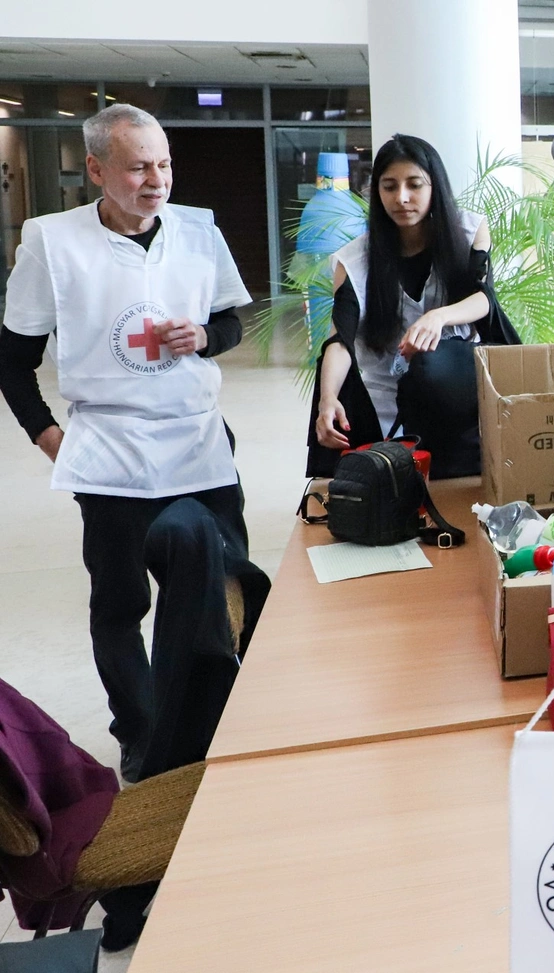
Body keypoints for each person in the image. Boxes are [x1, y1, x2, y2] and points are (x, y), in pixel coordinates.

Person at [0, 103, 270, 950]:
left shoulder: (196, 232)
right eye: (137, 168)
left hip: (196, 442)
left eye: (163, 165)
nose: (156, 181)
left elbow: (234, 319)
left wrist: (207, 335)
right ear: (96, 170)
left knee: (225, 581)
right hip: (110, 449)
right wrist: (47, 433)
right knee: (120, 604)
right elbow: (12, 354)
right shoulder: (52, 242)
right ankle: (143, 737)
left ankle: (219, 721)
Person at [309, 134, 518, 478]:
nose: (402, 198)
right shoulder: (355, 260)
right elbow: (340, 340)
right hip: (385, 395)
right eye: (389, 186)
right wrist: (327, 398)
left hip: (453, 388)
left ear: (434, 186)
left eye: (414, 184)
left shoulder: (469, 232)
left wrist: (439, 318)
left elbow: (484, 299)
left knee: (433, 364)